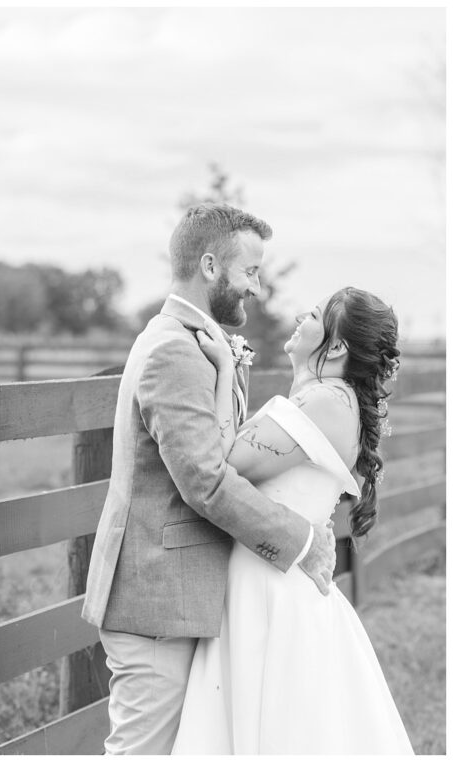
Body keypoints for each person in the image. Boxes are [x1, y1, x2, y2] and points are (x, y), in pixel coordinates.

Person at [81, 203, 336, 754]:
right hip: (155, 600)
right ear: (210, 266)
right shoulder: (175, 349)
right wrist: (303, 542)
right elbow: (207, 482)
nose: (257, 288)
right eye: (250, 272)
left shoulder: (196, 342)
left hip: (178, 596)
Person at [172, 287, 412, 754]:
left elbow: (222, 465)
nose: (302, 315)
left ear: (338, 346)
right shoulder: (326, 398)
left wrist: (224, 370)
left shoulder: (324, 402)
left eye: (316, 314)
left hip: (270, 590)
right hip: (271, 575)